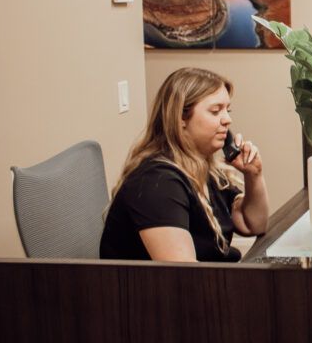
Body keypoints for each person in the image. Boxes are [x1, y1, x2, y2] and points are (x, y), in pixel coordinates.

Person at [99, 67, 269, 262]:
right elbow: (183, 276)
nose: (227, 120)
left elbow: (252, 224)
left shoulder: (202, 166)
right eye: (215, 111)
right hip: (157, 290)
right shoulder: (158, 182)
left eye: (227, 110)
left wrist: (254, 174)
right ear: (181, 117)